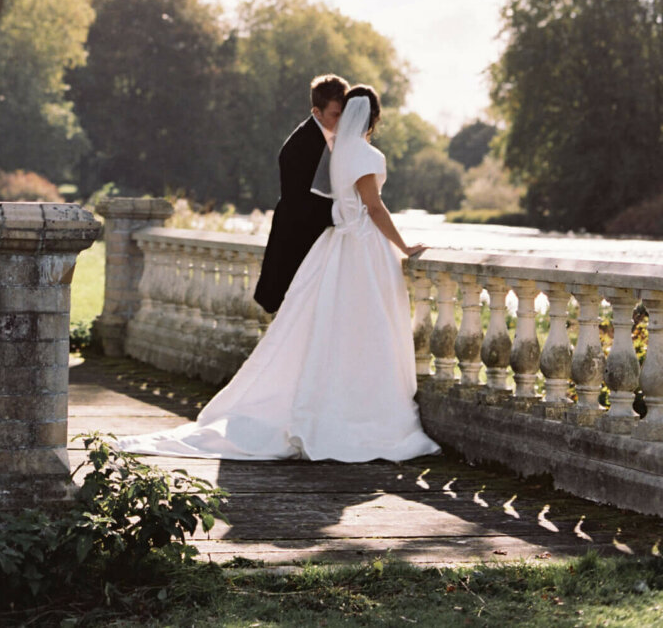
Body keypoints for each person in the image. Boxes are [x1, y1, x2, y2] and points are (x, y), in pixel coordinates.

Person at [114, 86, 439, 462]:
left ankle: (331, 403)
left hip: (335, 247)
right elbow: (375, 208)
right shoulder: (366, 155)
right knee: (364, 327)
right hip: (363, 248)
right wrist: (404, 246)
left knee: (331, 328)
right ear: (374, 118)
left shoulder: (336, 155)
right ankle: (357, 410)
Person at [252, 74, 347, 314]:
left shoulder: (334, 138)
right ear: (317, 112)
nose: (342, 120)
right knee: (295, 316)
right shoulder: (298, 147)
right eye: (336, 114)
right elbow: (302, 205)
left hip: (319, 245)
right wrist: (346, 213)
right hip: (296, 245)